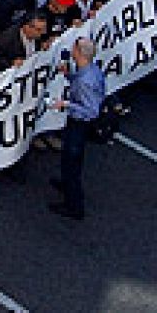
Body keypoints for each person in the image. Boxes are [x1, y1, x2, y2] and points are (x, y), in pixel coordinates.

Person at [50, 38, 106, 220]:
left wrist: (65, 104)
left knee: (71, 162)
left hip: (79, 124)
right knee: (72, 160)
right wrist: (68, 75)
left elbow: (90, 110)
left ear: (79, 52)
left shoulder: (85, 81)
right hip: (79, 123)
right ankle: (67, 186)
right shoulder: (89, 72)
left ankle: (73, 206)